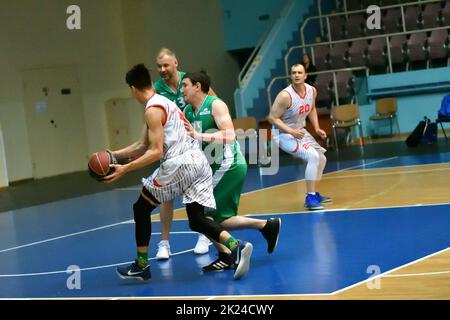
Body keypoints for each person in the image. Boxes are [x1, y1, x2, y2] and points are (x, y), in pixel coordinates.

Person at [104, 64, 253, 281]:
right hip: (198, 163)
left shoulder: (152, 109)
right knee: (196, 219)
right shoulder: (165, 103)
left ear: (133, 88)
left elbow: (155, 152)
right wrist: (113, 156)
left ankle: (142, 265)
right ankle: (236, 246)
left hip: (180, 164)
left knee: (141, 208)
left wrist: (125, 169)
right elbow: (141, 145)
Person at [181, 71, 281, 271]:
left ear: (197, 86)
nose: (181, 90)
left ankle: (230, 252)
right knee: (216, 220)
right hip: (211, 169)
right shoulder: (187, 111)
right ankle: (265, 227)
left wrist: (198, 135)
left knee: (201, 217)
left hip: (228, 164)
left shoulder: (215, 105)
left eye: (185, 85)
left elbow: (229, 135)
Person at [153, 48, 216, 259]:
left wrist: (210, 134)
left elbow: (213, 102)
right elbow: (153, 118)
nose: (162, 69)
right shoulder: (157, 89)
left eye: (166, 65)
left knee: (196, 191)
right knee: (166, 193)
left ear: (176, 63)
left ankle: (204, 234)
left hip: (193, 144)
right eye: (159, 66)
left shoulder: (190, 81)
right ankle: (164, 243)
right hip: (171, 147)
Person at [267, 63, 331, 210]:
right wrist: (290, 131)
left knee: (322, 158)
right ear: (291, 76)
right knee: (313, 156)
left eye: (299, 72)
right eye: (293, 72)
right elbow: (272, 118)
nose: (296, 75)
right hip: (282, 134)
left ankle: (314, 192)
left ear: (305, 75)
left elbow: (312, 108)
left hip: (299, 131)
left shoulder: (311, 91)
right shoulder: (285, 95)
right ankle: (310, 198)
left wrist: (317, 128)